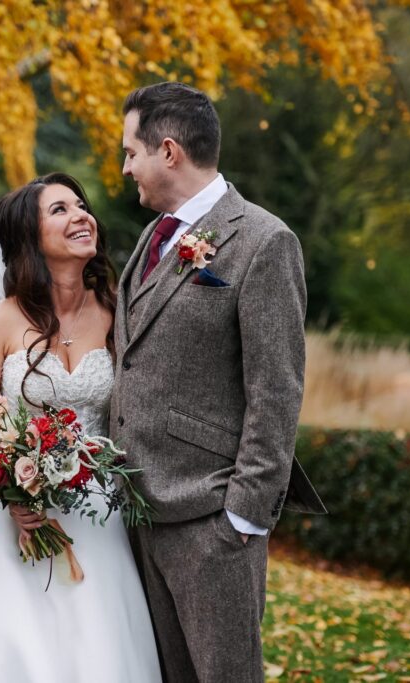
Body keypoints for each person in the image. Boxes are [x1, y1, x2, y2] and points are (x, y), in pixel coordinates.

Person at [106, 81, 327, 682]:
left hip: (211, 521)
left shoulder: (264, 241)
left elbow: (277, 389)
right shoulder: (154, 237)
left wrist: (243, 520)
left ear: (169, 151)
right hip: (139, 516)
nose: (126, 167)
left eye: (131, 152)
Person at [0, 173, 162, 683]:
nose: (80, 216)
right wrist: (15, 497)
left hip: (97, 516)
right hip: (10, 523)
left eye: (81, 206)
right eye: (59, 210)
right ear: (31, 238)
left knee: (96, 654)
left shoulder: (119, 312)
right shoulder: (2, 321)